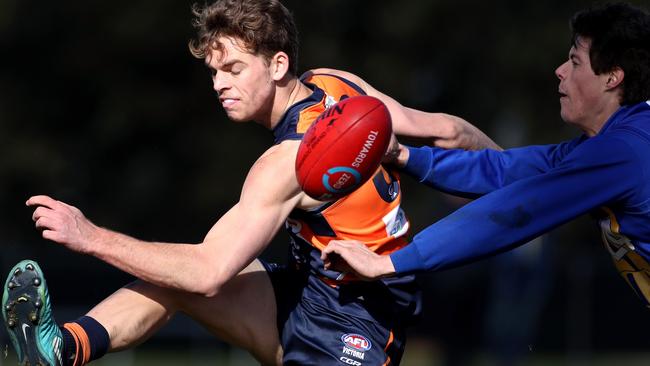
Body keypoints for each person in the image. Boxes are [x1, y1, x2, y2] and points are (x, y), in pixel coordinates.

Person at [1, 0, 498, 365]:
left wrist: (88, 237)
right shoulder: (338, 86)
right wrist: (527, 182)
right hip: (307, 293)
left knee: (192, 274)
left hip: (356, 327)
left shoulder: (285, 164)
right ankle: (62, 349)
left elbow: (209, 271)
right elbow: (447, 131)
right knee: (169, 279)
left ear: (278, 64)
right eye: (215, 71)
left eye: (234, 68)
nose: (219, 83)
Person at [322, 2, 650, 309]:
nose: (560, 70)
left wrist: (388, 262)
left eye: (575, 61)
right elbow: (504, 171)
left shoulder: (623, 150)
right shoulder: (613, 143)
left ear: (612, 77)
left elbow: (515, 211)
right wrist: (404, 155)